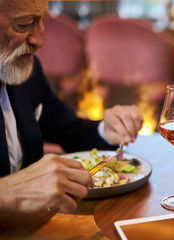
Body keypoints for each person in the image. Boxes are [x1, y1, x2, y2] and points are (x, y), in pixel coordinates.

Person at [0, 0, 143, 214]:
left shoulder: (24, 68)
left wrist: (106, 129)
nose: (41, 40)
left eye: (42, 21)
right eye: (25, 23)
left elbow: (68, 129)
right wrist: (7, 191)